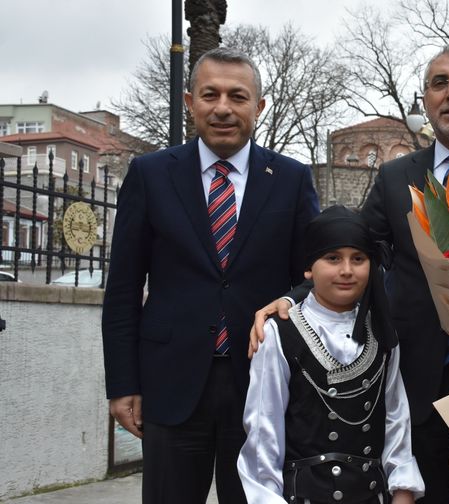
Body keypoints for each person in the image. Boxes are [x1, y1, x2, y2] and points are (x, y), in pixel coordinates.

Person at [250, 44, 449, 503]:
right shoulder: (393, 178)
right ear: (424, 100)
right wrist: (296, 298)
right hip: (412, 387)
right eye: (438, 83)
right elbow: (354, 251)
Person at [102, 47, 319, 504]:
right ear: (190, 102)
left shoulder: (292, 179)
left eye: (237, 96)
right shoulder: (150, 174)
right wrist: (122, 384)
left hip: (263, 387)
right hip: (170, 385)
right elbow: (122, 287)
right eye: (210, 94)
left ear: (258, 107)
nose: (223, 107)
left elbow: (309, 279)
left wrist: (288, 301)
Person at [238, 206, 424, 504]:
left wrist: (403, 490)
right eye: (333, 258)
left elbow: (396, 419)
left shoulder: (383, 333)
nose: (347, 270)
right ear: (309, 268)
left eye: (358, 259)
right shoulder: (279, 333)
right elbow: (263, 432)